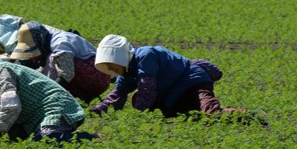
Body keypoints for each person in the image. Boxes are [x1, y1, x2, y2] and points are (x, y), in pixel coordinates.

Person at [88, 34, 246, 118]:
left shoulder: (145, 55)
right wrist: (100, 110)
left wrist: (139, 114)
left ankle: (249, 116)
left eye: (110, 63)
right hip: (175, 93)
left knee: (211, 111)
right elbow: (116, 96)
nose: (109, 68)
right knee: (186, 116)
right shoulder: (126, 72)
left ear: (119, 57)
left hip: (193, 80)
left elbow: (147, 89)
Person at [0, 55, 96, 143]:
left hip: (56, 105)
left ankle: (89, 139)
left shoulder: (0, 73)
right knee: (16, 138)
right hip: (36, 116)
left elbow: (11, 106)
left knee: (46, 138)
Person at [8, 21, 110, 103]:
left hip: (98, 77)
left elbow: (66, 74)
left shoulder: (59, 43)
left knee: (53, 60)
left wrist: (48, 96)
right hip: (96, 76)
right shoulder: (51, 41)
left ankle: (61, 100)